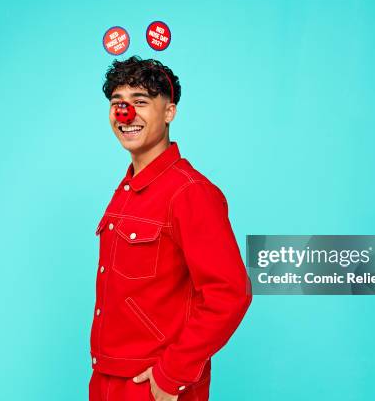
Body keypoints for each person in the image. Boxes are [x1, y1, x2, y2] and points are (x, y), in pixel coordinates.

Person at [89, 56, 252, 401]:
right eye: (118, 104)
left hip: (153, 385)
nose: (126, 114)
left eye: (140, 103)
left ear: (169, 112)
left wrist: (173, 372)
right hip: (107, 379)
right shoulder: (127, 192)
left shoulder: (190, 192)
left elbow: (229, 293)